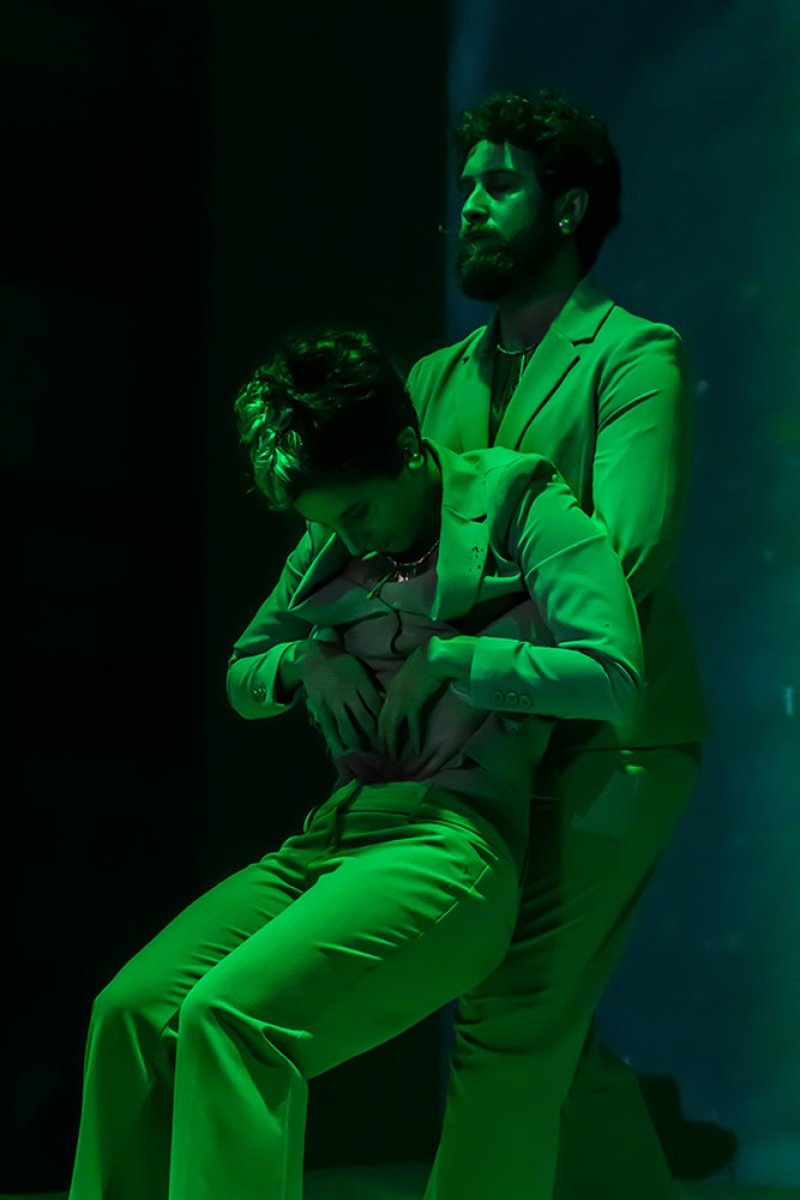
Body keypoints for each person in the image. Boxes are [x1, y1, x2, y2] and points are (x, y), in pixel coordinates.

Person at [65, 327, 644, 1200]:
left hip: (450, 846)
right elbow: (241, 674)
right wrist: (306, 661)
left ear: (409, 450)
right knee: (132, 1012)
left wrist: (456, 658)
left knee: (232, 1019)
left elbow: (614, 675)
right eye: (327, 524)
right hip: (332, 839)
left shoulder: (520, 500)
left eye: (359, 512)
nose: (351, 540)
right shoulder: (332, 536)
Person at [407, 88, 713, 1200]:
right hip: (480, 750)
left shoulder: (633, 357)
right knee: (534, 1014)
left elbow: (621, 570)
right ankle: (639, 1171)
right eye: (466, 185)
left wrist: (441, 631)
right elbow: (375, 571)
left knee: (505, 1014)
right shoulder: (431, 384)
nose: (469, 208)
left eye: (500, 184)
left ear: (569, 206)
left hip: (611, 745)